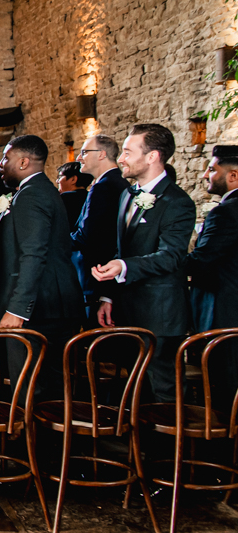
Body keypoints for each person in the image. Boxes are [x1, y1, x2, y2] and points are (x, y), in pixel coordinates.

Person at [93, 124, 196, 403]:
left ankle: (171, 447)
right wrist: (109, 296)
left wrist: (124, 267)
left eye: (127, 151)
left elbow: (172, 256)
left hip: (159, 314)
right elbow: (120, 248)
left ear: (152, 157)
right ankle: (140, 446)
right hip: (127, 310)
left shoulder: (177, 202)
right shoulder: (128, 194)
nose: (121, 158)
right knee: (136, 388)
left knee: (164, 390)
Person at [0, 136, 84, 403]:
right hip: (52, 303)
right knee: (50, 385)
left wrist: (17, 309)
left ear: (24, 161)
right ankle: (52, 441)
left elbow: (33, 254)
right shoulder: (42, 190)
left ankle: (33, 441)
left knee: (31, 388)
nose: (1, 164)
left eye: (6, 158)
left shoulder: (32, 195)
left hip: (38, 308)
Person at [184, 145, 238, 404]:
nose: (206, 175)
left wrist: (163, 262)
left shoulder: (226, 212)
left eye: (212, 169)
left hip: (223, 311)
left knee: (223, 384)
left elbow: (201, 261)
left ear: (233, 176)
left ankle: (221, 442)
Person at [70, 135, 129, 321]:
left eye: (84, 152)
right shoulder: (119, 182)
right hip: (109, 279)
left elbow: (88, 236)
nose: (79, 157)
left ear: (102, 154)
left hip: (98, 275)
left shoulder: (104, 187)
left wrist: (56, 241)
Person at [56, 161, 93, 228]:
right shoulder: (91, 198)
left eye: (60, 177)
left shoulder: (63, 199)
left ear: (73, 179)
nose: (57, 181)